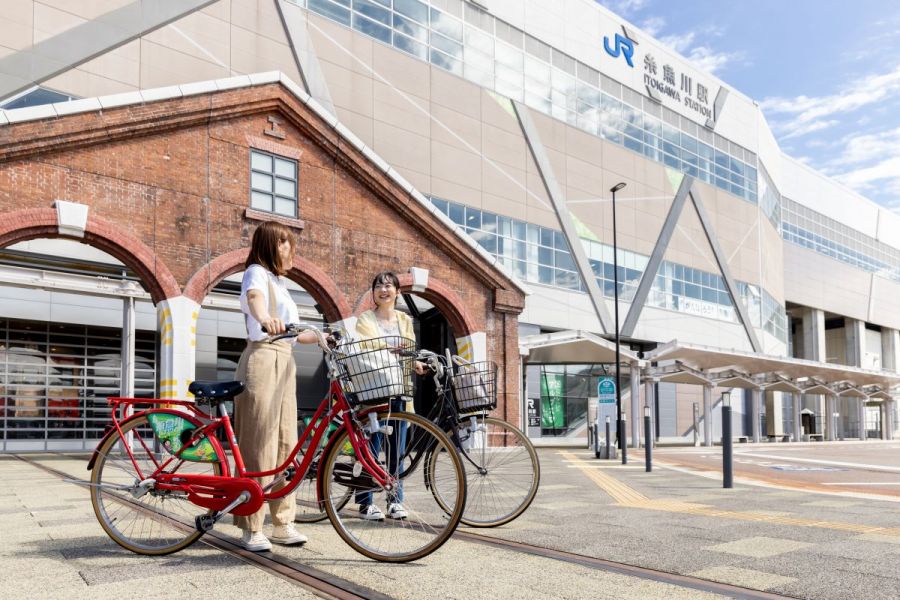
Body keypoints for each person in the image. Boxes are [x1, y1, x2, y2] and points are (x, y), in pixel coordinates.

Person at [234, 221, 321, 552]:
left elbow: (297, 333)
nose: (288, 249)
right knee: (259, 442)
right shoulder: (256, 272)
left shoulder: (281, 285)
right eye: (283, 242)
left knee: (286, 442)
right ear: (269, 245)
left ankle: (283, 523)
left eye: (289, 243)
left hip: (285, 360)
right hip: (262, 358)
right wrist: (263, 317)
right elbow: (255, 300)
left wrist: (325, 337)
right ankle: (252, 525)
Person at [353, 271, 427, 521]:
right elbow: (364, 346)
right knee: (372, 447)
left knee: (397, 449)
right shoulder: (365, 318)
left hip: (400, 390)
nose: (383, 290)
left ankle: (395, 500)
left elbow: (410, 348)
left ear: (397, 291)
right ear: (373, 292)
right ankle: (366, 502)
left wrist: (415, 362)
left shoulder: (405, 320)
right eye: (378, 286)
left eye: (388, 285)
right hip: (375, 390)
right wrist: (390, 348)